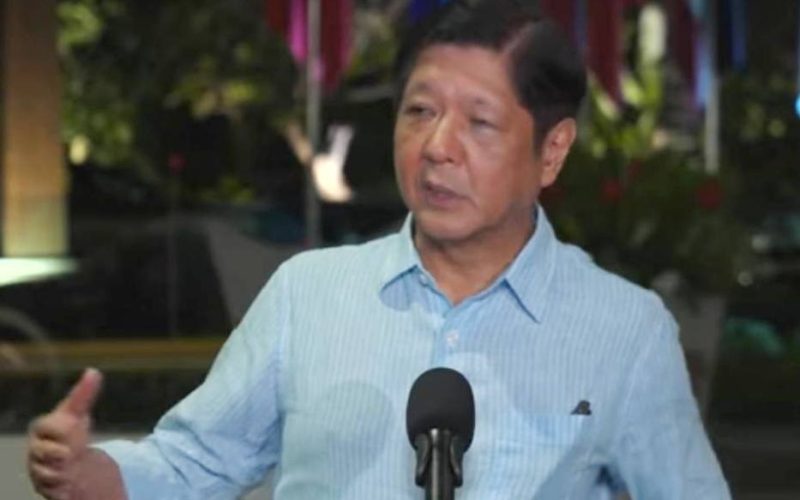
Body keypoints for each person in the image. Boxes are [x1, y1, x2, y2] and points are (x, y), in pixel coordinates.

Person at [27, 1, 731, 498]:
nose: (437, 147)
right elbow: (193, 463)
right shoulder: (308, 295)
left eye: (479, 122)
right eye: (420, 111)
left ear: (552, 151)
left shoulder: (624, 331)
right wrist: (87, 476)